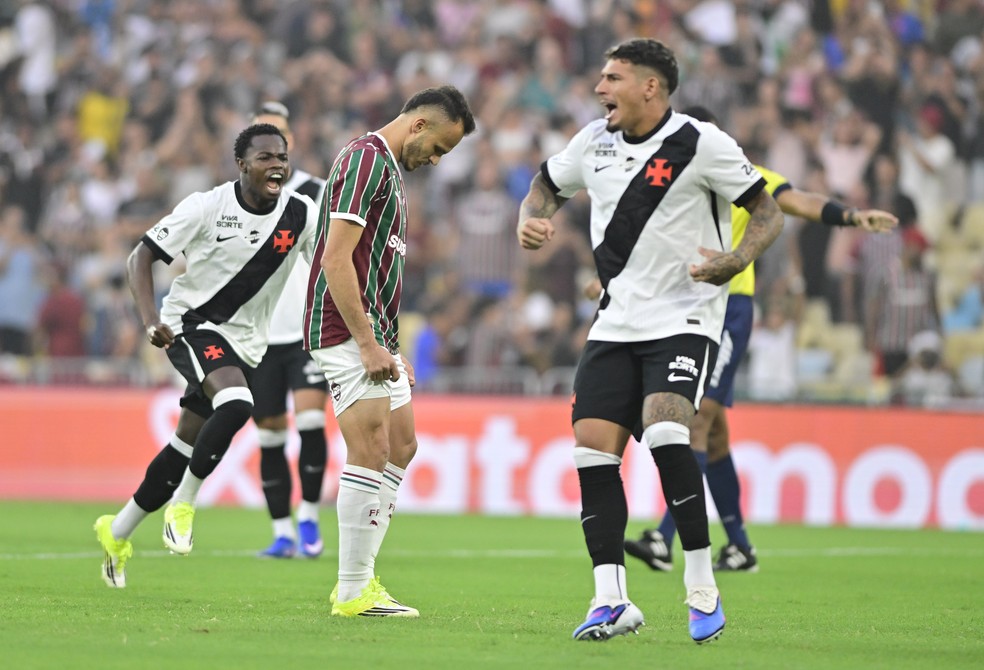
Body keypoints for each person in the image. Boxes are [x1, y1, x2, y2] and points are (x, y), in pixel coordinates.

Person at [516, 40, 785, 644]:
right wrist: (531, 217)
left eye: (612, 78)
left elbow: (768, 213)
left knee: (666, 431)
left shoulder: (701, 143)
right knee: (591, 452)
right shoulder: (593, 142)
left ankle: (701, 585)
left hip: (685, 318)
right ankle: (610, 600)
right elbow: (545, 185)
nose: (599, 89)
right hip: (616, 322)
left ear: (650, 87)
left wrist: (738, 257)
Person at [624, 105, 897, 574]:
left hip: (729, 309)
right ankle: (740, 547)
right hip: (684, 311)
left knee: (697, 420)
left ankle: (663, 538)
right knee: (715, 436)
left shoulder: (744, 176)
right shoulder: (671, 182)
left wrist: (852, 216)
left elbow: (799, 202)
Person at [93, 123, 319, 587]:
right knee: (237, 403)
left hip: (247, 344)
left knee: (184, 445)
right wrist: (149, 320)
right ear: (242, 164)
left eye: (282, 156)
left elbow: (332, 266)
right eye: (265, 157)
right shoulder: (206, 207)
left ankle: (117, 532)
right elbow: (140, 257)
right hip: (189, 325)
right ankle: (185, 502)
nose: (277, 164)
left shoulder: (302, 213)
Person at [303, 85, 475, 617]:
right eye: (440, 148)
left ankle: (362, 580)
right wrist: (366, 342)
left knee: (402, 444)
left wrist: (390, 347)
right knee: (372, 446)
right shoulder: (365, 159)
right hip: (343, 327)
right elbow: (336, 259)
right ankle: (353, 588)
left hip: (374, 332)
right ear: (418, 125)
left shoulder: (391, 173)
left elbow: (376, 271)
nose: (437, 160)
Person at [247, 102, 329, 559]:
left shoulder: (316, 191)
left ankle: (310, 517)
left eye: (276, 137)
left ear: (290, 142)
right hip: (259, 335)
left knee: (311, 420)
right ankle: (281, 532)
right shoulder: (237, 198)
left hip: (305, 331)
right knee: (270, 433)